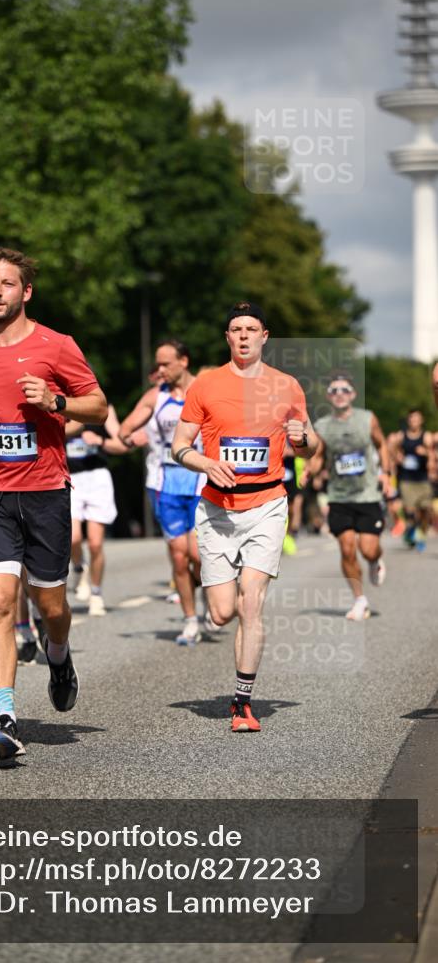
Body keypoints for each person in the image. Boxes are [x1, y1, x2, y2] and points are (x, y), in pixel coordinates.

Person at [0, 246, 107, 761]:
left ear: (25, 292)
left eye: (6, 284)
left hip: (44, 494)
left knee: (50, 606)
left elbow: (98, 406)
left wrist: (56, 402)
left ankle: (59, 654)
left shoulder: (57, 346)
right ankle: (5, 717)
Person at [171, 302, 318, 732]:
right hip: (217, 508)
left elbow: (310, 445)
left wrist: (303, 438)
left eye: (251, 329)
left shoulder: (286, 386)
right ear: (227, 338)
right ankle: (224, 607)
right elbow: (180, 445)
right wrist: (204, 463)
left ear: (264, 336)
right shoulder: (205, 386)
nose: (243, 336)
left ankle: (242, 703)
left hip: (268, 504)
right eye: (236, 329)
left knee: (251, 602)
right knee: (221, 613)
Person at [118, 340, 206, 644]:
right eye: (158, 364)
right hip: (164, 484)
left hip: (201, 483)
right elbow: (124, 429)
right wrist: (133, 438)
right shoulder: (156, 396)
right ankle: (191, 620)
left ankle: (213, 591)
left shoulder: (206, 389)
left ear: (184, 361)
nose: (160, 370)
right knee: (179, 557)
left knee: (199, 554)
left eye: (166, 364)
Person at [303, 373, 391, 621]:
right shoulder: (322, 426)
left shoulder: (367, 419)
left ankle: (376, 561)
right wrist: (310, 471)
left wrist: (386, 474)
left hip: (367, 494)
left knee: (368, 549)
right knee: (347, 549)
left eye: (344, 389)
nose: (339, 393)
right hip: (339, 497)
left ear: (352, 394)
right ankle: (359, 599)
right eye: (334, 390)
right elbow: (319, 456)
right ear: (329, 397)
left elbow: (382, 444)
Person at [66, 404, 126, 616]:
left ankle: (96, 594)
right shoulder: (57, 405)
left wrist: (100, 441)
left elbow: (122, 444)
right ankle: (80, 567)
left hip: (97, 477)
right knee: (73, 538)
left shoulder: (102, 408)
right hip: (69, 478)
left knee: (95, 543)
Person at [389, 409, 436, 552]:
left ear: (421, 421)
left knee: (426, 509)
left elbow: (432, 455)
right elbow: (391, 450)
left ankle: (419, 533)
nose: (414, 421)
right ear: (408, 421)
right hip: (406, 478)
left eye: (417, 419)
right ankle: (412, 531)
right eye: (411, 419)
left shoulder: (426, 437)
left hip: (422, 478)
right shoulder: (401, 436)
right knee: (410, 510)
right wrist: (397, 457)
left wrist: (427, 456)